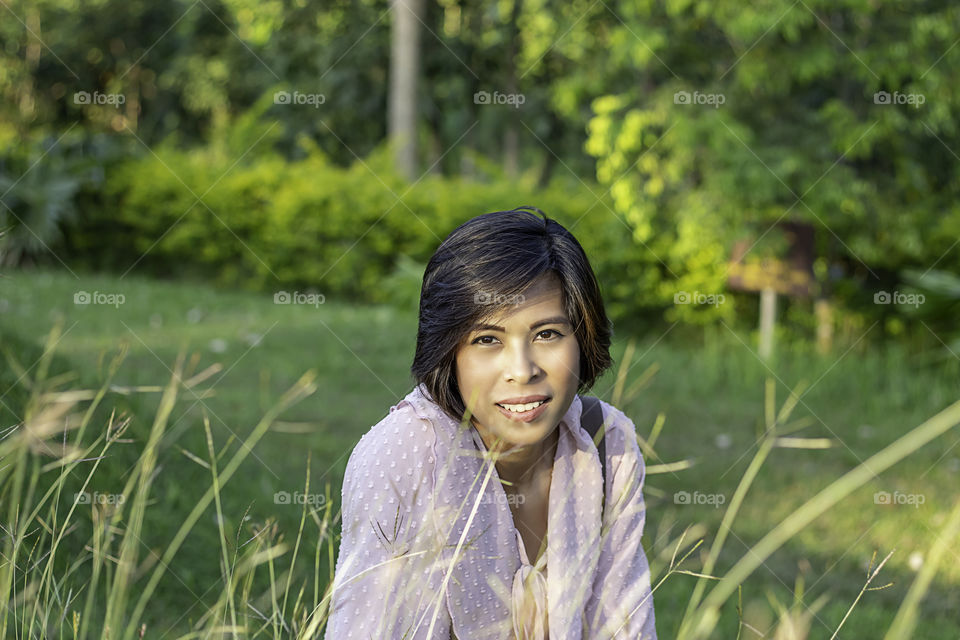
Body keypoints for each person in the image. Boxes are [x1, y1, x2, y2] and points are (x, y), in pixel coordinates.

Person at [324, 207, 657, 639]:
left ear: (583, 337)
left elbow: (627, 628)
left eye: (547, 334)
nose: (522, 370)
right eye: (487, 340)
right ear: (449, 352)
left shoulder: (606, 442)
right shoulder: (401, 457)